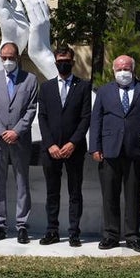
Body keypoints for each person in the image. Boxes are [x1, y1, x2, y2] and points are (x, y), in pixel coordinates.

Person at [89, 55, 140, 253]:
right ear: (113, 71)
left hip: (137, 150)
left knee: (134, 195)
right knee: (110, 195)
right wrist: (95, 147)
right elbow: (96, 119)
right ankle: (111, 235)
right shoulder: (104, 91)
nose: (123, 72)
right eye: (119, 69)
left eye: (126, 69)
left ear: (133, 70)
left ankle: (133, 236)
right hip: (110, 150)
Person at [0, 41, 39, 243]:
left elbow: (31, 109)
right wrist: (1, 131)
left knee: (22, 182)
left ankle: (22, 225)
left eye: (11, 57)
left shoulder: (30, 80)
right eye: (4, 58)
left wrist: (16, 131)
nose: (7, 61)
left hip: (20, 140)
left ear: (18, 57)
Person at [37, 46, 92, 246]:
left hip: (74, 149)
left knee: (75, 192)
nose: (63, 64)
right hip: (51, 150)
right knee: (52, 192)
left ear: (73, 62)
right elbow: (42, 117)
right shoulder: (46, 87)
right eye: (60, 61)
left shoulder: (83, 86)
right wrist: (50, 144)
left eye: (66, 61)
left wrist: (73, 143)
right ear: (55, 62)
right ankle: (52, 230)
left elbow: (86, 117)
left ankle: (74, 232)